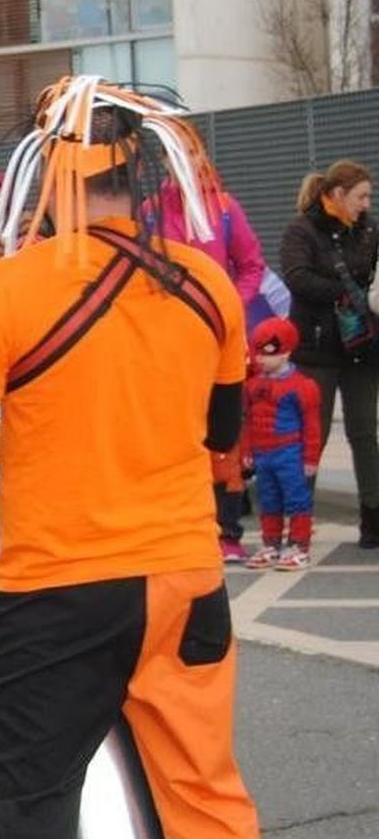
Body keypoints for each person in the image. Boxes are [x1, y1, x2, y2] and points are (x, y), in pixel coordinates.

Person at [0, 76, 278, 839]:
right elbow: (223, 432)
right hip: (185, 582)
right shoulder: (204, 284)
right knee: (208, 803)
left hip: (59, 590)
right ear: (140, 167)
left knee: (29, 807)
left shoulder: (7, 290)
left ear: (46, 172)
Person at [146, 169, 268, 563]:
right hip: (164, 341)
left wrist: (230, 303)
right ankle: (176, 523)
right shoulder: (150, 211)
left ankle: (227, 532)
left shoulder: (225, 208)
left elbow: (252, 265)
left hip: (216, 340)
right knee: (172, 432)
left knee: (224, 438)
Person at [280, 159, 379, 547]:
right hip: (317, 347)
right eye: (361, 196)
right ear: (336, 195)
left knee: (364, 432)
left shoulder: (369, 231)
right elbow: (297, 277)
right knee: (311, 435)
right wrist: (347, 295)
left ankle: (373, 518)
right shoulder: (301, 230)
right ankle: (298, 519)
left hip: (361, 348)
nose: (367, 204)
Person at [242, 317, 322, 571]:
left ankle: (299, 546)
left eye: (266, 353)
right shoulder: (252, 384)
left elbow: (311, 426)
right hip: (263, 453)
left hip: (289, 451)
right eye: (258, 352)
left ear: (286, 353)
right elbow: (247, 422)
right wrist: (247, 451)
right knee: (268, 500)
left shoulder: (302, 387)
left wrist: (310, 458)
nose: (260, 359)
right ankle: (271, 544)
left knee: (297, 499)